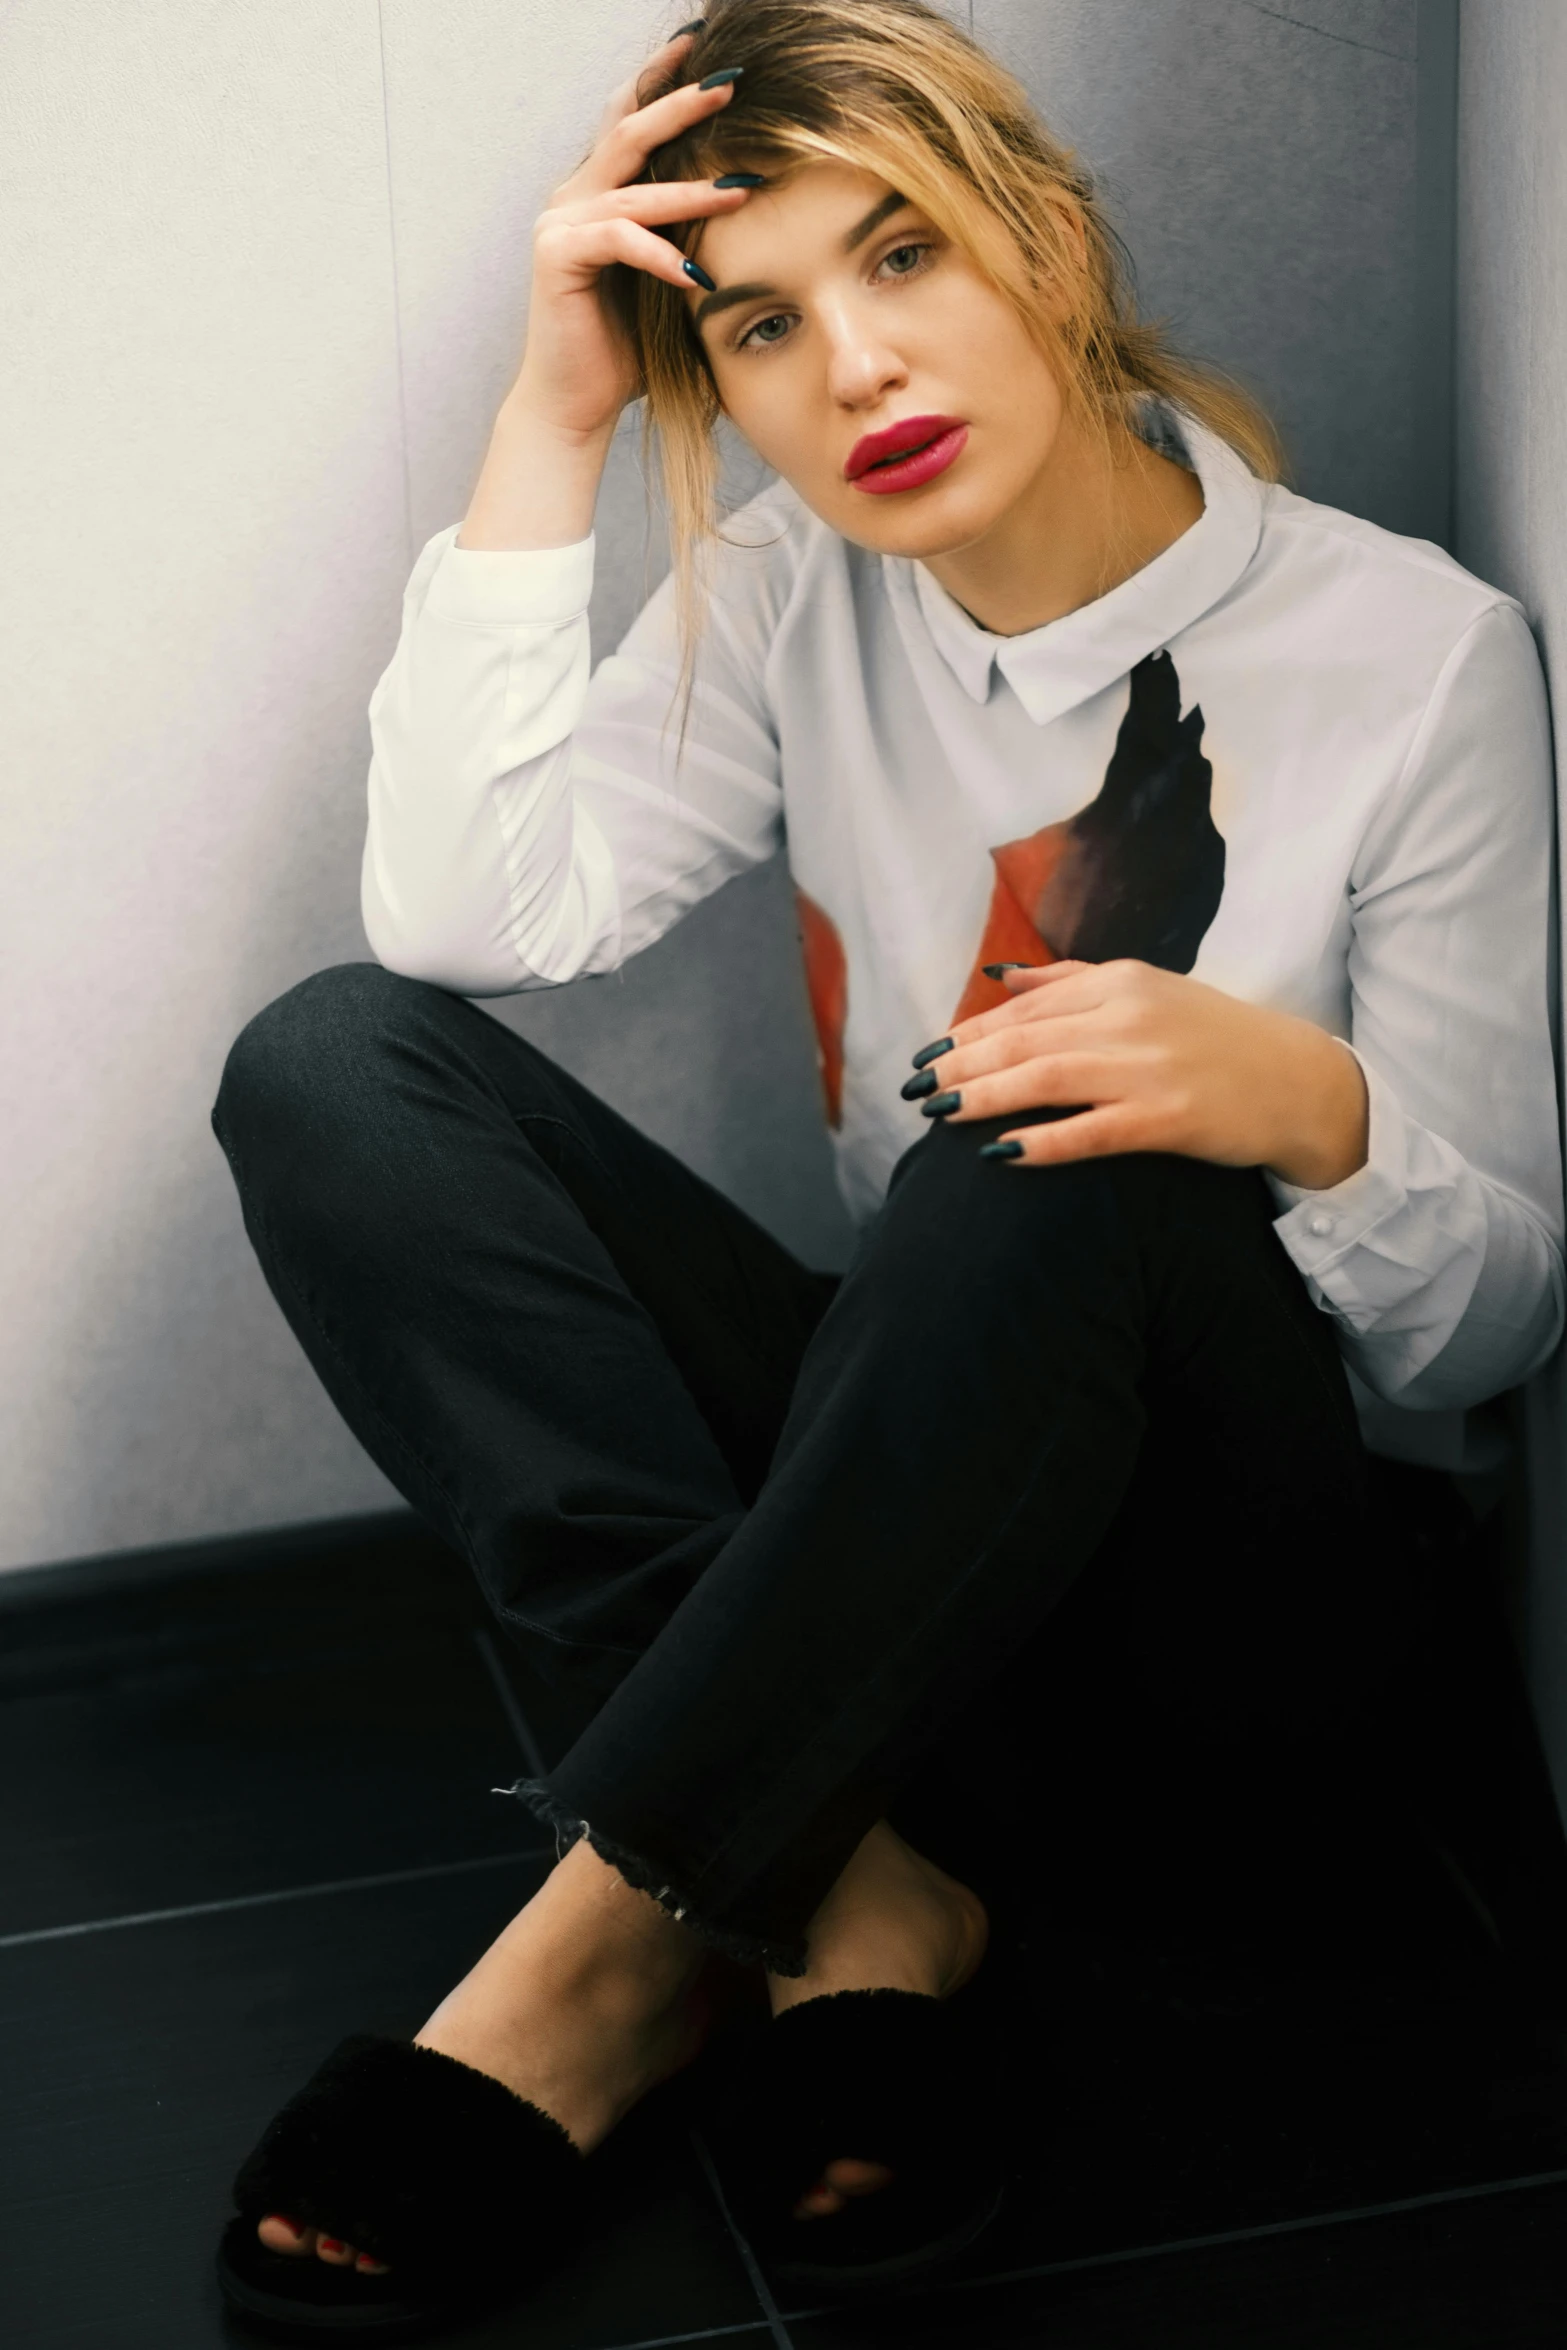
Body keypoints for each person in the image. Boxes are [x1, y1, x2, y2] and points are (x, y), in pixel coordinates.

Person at [210, 0, 1563, 2336]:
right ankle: (856, 1894)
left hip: (1239, 1644)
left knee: (1057, 1120)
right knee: (336, 1065)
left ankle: (612, 1939)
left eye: (905, 252)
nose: (855, 364)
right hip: (903, 1565)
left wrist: (1297, 1108)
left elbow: (1497, 1326)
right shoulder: (807, 603)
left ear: (1044, 238)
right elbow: (463, 917)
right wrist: (550, 405)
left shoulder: (1409, 652)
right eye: (759, 322)